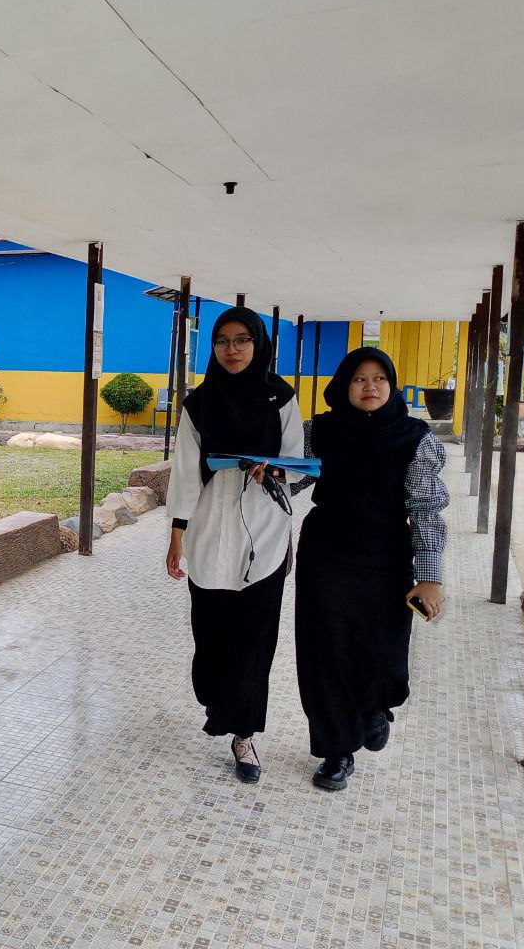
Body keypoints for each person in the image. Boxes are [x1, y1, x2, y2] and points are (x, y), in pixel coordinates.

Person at [293, 347, 448, 791]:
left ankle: (375, 706)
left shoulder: (415, 437)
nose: (370, 387)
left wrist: (430, 577)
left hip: (386, 558)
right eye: (359, 379)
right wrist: (269, 471)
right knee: (326, 652)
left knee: (384, 652)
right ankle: (336, 749)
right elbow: (296, 477)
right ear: (344, 384)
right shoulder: (318, 430)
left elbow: (426, 509)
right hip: (325, 556)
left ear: (392, 385)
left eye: (379, 378)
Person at [166, 306, 304, 783]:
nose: (232, 350)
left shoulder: (280, 397)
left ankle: (244, 735)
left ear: (258, 343)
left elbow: (295, 461)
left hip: (265, 529)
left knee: (254, 641)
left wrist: (277, 471)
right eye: (223, 341)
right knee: (210, 638)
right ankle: (216, 700)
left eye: (242, 340)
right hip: (209, 523)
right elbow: (185, 471)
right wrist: (176, 536)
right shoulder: (198, 404)